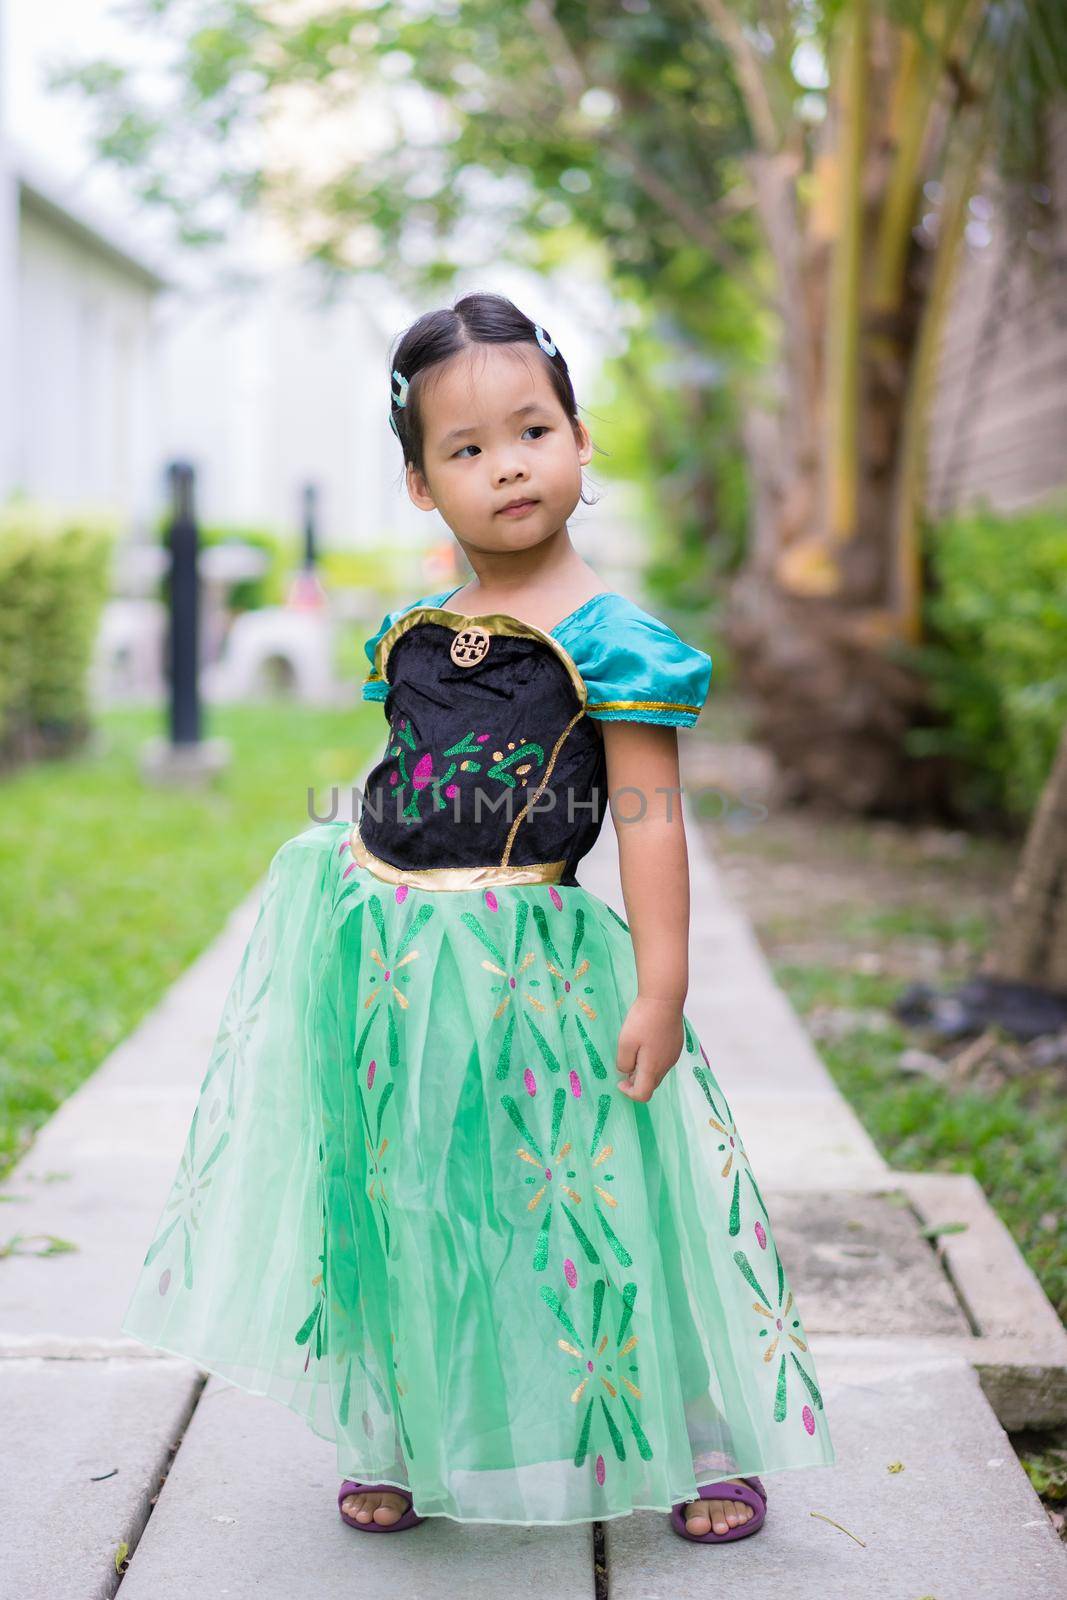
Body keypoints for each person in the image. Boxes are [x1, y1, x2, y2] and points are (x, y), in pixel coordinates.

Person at [121, 291, 835, 1543]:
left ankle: (690, 1433)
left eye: (531, 429)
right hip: (383, 951)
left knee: (586, 1194)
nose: (505, 463)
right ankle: (399, 1424)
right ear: (418, 486)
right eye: (464, 447)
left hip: (529, 966)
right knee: (409, 1186)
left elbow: (649, 821)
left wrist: (659, 986)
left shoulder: (615, 644)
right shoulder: (410, 634)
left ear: (578, 439)